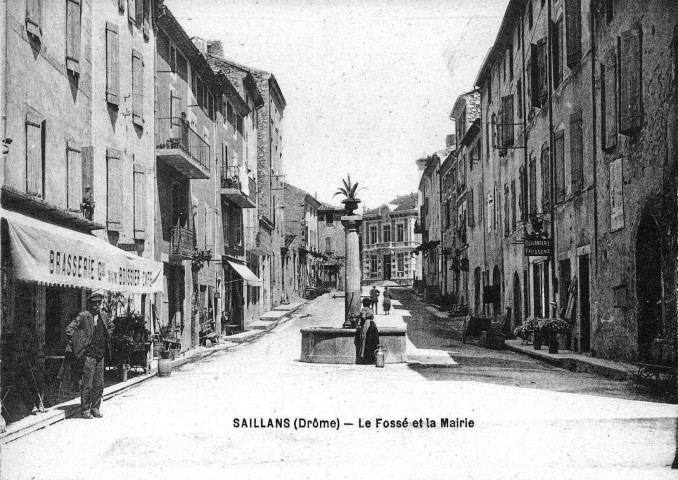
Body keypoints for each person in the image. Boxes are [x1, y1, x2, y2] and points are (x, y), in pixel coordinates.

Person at [66, 290, 113, 419]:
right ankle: (85, 410)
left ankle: (96, 408)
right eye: (94, 304)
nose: (97, 306)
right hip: (89, 356)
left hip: (100, 355)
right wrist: (80, 342)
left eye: (99, 303)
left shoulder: (104, 316)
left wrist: (107, 337)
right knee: (87, 384)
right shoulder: (84, 316)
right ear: (90, 305)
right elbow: (70, 329)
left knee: (99, 384)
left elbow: (111, 327)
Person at [355, 298, 380, 365]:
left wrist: (359, 319)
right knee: (373, 341)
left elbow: (363, 317)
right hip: (373, 324)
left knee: (365, 340)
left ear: (363, 303)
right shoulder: (370, 309)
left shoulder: (363, 309)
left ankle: (366, 359)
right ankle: (373, 358)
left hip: (367, 325)